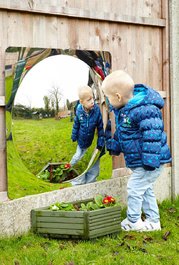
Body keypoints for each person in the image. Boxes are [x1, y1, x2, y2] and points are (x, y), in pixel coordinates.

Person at [102, 70, 171, 231]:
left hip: (150, 161)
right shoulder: (125, 110)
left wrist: (150, 160)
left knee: (134, 188)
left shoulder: (145, 109)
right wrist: (114, 146)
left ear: (118, 97)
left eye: (108, 98)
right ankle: (154, 221)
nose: (108, 102)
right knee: (145, 189)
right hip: (142, 161)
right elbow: (123, 133)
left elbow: (152, 134)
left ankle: (133, 221)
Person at [69, 85, 105, 185]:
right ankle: (77, 182)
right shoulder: (79, 111)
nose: (92, 101)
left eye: (93, 98)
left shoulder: (96, 110)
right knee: (77, 159)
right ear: (82, 102)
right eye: (89, 100)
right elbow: (76, 124)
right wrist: (74, 135)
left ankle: (91, 183)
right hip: (81, 142)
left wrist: (101, 141)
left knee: (94, 163)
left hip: (92, 143)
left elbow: (101, 127)